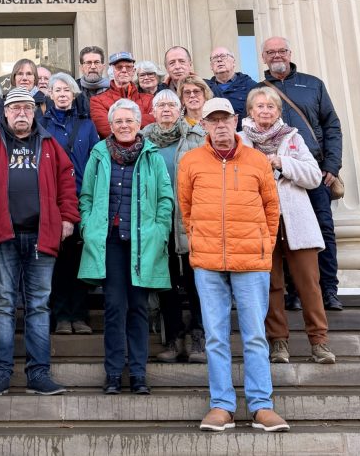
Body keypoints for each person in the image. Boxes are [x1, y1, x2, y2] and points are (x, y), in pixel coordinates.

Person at [178, 97, 288, 433]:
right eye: (214, 121)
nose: (220, 126)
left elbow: (272, 210)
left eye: (226, 119)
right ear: (205, 125)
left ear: (236, 121)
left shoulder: (256, 160)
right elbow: (186, 209)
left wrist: (262, 247)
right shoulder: (190, 161)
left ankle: (261, 406)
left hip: (251, 262)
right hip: (209, 261)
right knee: (215, 336)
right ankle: (221, 405)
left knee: (255, 335)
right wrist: (199, 238)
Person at [0, 87, 80, 397]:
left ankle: (38, 374)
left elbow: (67, 183)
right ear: (5, 111)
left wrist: (68, 217)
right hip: (2, 234)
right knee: (2, 303)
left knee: (39, 305)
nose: (21, 114)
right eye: (15, 108)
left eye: (27, 108)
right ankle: (1, 374)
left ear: (35, 112)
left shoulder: (50, 142)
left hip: (42, 235)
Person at [78, 99, 173, 395]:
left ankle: (139, 375)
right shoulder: (99, 153)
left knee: (139, 309)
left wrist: (159, 232)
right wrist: (87, 226)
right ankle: (114, 373)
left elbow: (165, 199)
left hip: (143, 243)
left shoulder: (151, 156)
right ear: (111, 125)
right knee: (114, 308)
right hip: (110, 243)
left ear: (138, 123)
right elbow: (87, 197)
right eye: (118, 121)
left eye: (129, 121)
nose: (123, 126)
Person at [240, 87, 336, 364]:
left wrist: (282, 162)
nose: (265, 111)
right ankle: (278, 342)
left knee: (309, 284)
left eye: (271, 107)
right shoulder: (241, 141)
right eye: (260, 106)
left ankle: (319, 342)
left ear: (279, 112)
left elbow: (313, 176)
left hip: (297, 221)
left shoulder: (293, 138)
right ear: (250, 111)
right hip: (259, 224)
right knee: (270, 285)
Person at [259, 36, 344, 311]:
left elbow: (331, 125)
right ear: (263, 57)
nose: (276, 55)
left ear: (290, 53)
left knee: (324, 230)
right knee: (285, 234)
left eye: (281, 50)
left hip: (315, 171)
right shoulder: (259, 90)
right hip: (279, 176)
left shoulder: (313, 84)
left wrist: (332, 165)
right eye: (271, 52)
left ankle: (329, 290)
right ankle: (294, 292)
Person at [143, 89, 207, 363]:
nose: (166, 109)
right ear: (153, 112)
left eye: (171, 104)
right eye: (160, 105)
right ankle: (173, 339)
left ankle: (198, 339)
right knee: (165, 284)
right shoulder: (142, 140)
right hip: (158, 223)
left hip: (191, 221)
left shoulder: (196, 137)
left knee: (197, 284)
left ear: (179, 109)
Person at [41, 73, 99, 335]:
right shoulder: (41, 125)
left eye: (67, 90)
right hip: (52, 201)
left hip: (82, 199)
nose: (62, 94)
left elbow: (95, 160)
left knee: (80, 260)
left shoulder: (87, 125)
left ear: (74, 94)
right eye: (57, 90)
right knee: (58, 261)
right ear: (50, 95)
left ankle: (80, 316)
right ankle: (61, 316)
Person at [90, 51, 155, 137]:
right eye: (119, 67)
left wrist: (117, 122)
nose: (124, 70)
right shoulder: (97, 101)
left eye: (128, 67)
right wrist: (140, 120)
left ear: (133, 71)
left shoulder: (150, 99)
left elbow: (154, 122)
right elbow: (105, 129)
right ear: (112, 70)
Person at [206, 47, 255, 129]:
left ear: (233, 62)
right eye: (215, 58)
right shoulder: (206, 88)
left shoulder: (250, 86)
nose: (219, 60)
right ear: (211, 66)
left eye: (223, 56)